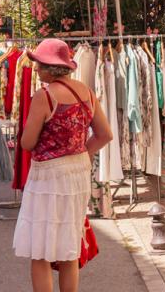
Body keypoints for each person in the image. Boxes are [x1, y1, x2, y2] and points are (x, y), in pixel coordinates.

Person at [13, 39, 113, 292]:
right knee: (69, 246)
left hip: (48, 176)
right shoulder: (86, 92)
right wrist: (81, 153)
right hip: (77, 172)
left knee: (41, 251)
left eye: (38, 64)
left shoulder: (44, 96)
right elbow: (104, 134)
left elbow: (27, 142)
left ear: (49, 68)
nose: (35, 69)